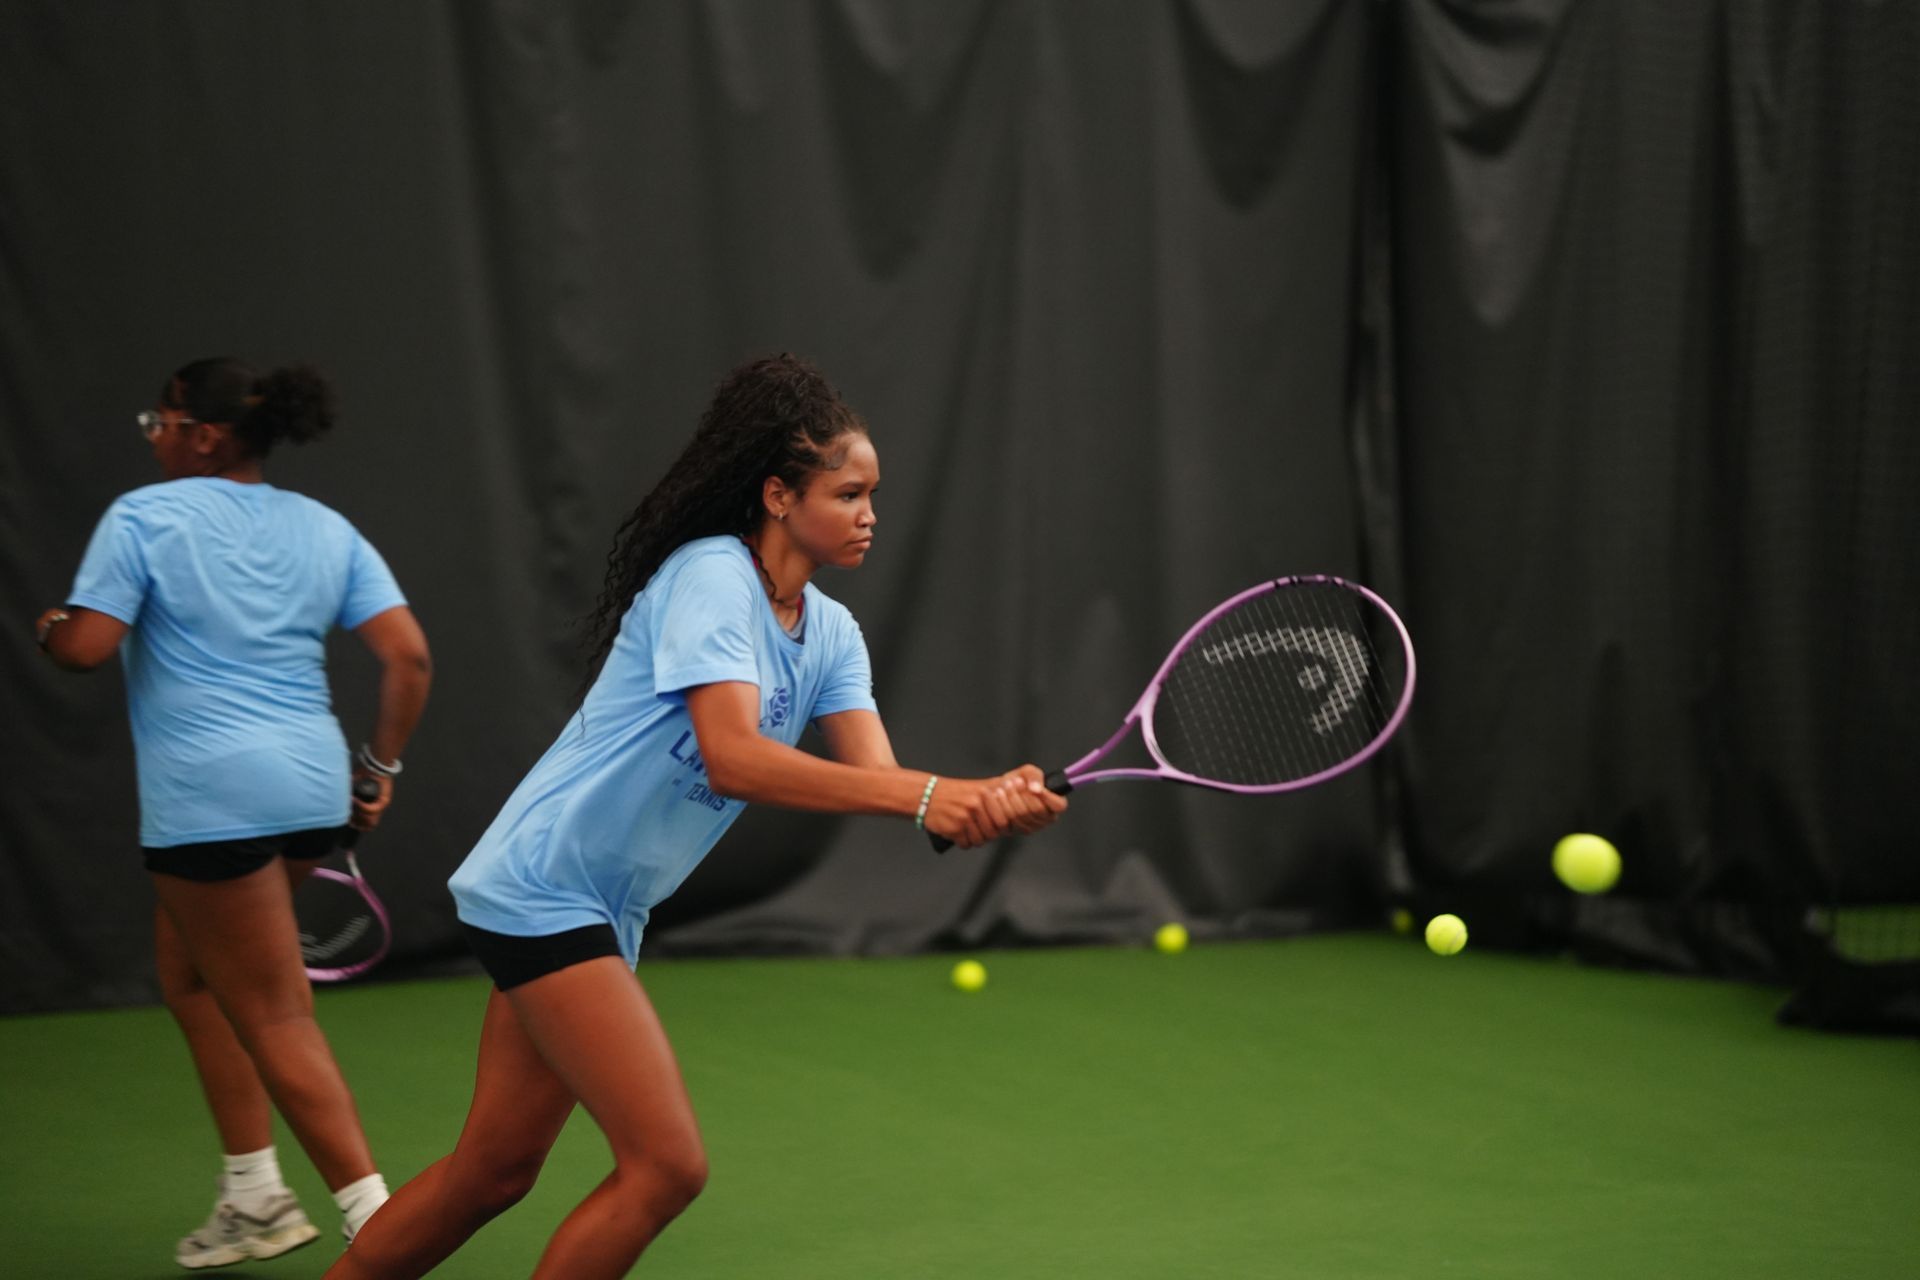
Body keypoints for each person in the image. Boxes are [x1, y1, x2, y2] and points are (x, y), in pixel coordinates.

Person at [327, 353, 1065, 1279]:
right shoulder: (711, 575)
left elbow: (887, 786)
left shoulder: (832, 634)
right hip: (547, 883)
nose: (871, 512)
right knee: (666, 1167)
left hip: (601, 908)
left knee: (494, 1171)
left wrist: (990, 805)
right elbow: (735, 755)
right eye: (849, 492)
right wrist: (929, 793)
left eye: (874, 493)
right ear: (779, 495)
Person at [36, 358, 432, 1268]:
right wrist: (378, 768)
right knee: (193, 978)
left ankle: (384, 1227)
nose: (154, 435)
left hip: (210, 800)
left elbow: (87, 648)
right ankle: (254, 1196)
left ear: (203, 434)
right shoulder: (326, 528)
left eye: (162, 420)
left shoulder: (142, 517)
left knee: (275, 1012)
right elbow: (409, 658)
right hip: (310, 788)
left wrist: (53, 625)